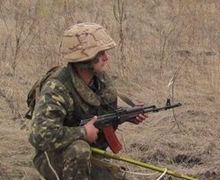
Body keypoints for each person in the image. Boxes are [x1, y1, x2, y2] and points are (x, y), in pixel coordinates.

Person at [28, 22, 147, 179]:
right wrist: (82, 133)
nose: (106, 57)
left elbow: (100, 117)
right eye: (100, 53)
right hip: (55, 156)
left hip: (92, 153)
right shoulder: (57, 88)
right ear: (85, 58)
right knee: (80, 149)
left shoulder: (101, 80)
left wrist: (125, 117)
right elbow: (39, 136)